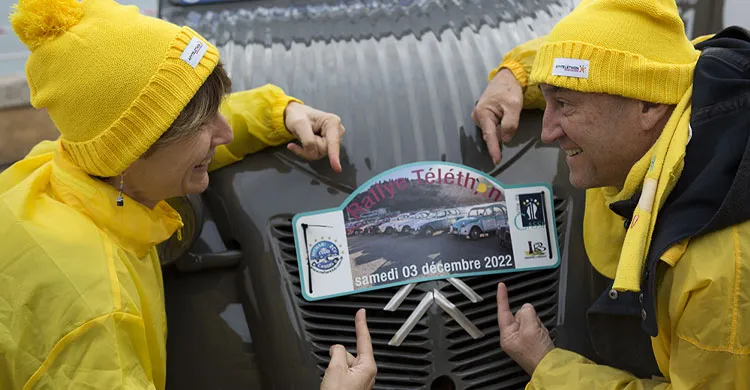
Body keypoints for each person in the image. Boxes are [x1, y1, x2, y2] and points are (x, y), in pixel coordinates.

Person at [0, 0, 376, 388]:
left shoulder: (62, 167)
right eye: (203, 123)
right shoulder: (97, 318)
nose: (225, 132)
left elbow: (156, 121)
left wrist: (278, 113)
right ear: (129, 151)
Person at [473, 0, 750, 387]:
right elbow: (604, 57)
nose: (548, 131)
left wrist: (548, 368)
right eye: (546, 98)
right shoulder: (686, 70)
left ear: (650, 105)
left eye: (565, 105)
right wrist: (514, 74)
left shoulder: (718, 272)